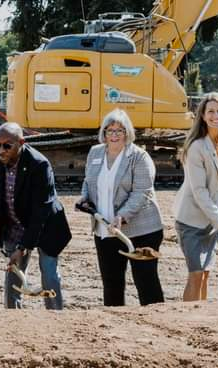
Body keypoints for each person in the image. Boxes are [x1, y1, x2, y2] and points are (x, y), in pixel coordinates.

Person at [0, 122, 72, 310]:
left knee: (49, 274)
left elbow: (40, 212)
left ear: (21, 142)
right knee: (13, 271)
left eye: (7, 145)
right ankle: (13, 317)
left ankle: (56, 316)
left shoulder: (39, 164)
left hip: (45, 225)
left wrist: (23, 248)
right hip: (14, 223)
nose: (0, 150)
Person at [76, 109, 165, 306]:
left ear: (128, 133)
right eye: (110, 130)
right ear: (104, 133)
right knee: (111, 282)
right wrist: (85, 197)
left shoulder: (139, 157)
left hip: (142, 230)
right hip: (105, 229)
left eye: (120, 130)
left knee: (146, 282)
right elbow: (89, 181)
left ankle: (157, 321)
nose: (114, 135)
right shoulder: (95, 152)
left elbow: (142, 192)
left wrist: (122, 216)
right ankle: (114, 326)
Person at [174, 93, 218, 302]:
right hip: (192, 221)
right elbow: (199, 191)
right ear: (202, 116)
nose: (215, 115)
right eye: (210, 111)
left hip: (212, 220)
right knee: (196, 273)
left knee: (206, 274)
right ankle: (187, 320)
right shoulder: (197, 147)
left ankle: (201, 318)